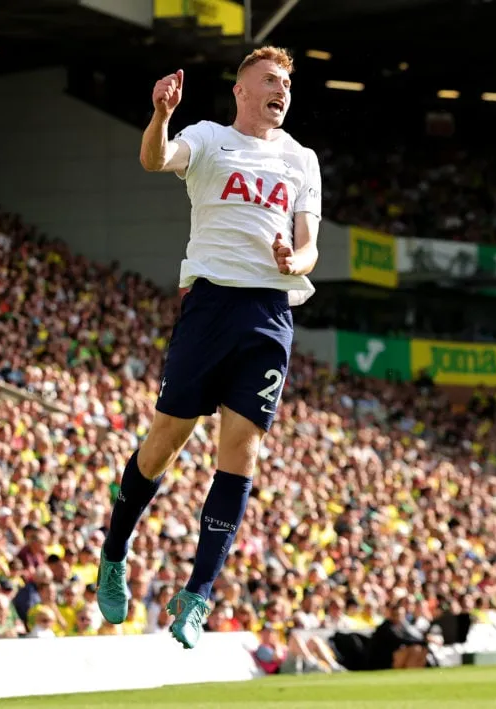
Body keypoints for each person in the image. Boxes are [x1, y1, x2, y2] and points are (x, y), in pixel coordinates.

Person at [96, 45, 322, 651]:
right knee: (169, 436)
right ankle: (115, 548)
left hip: (270, 314)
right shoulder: (207, 137)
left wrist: (291, 261)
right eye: (271, 80)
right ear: (242, 89)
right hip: (211, 303)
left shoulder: (302, 159)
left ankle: (197, 595)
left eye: (288, 85)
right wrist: (160, 115)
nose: (282, 90)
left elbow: (309, 247)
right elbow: (154, 159)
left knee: (241, 453)